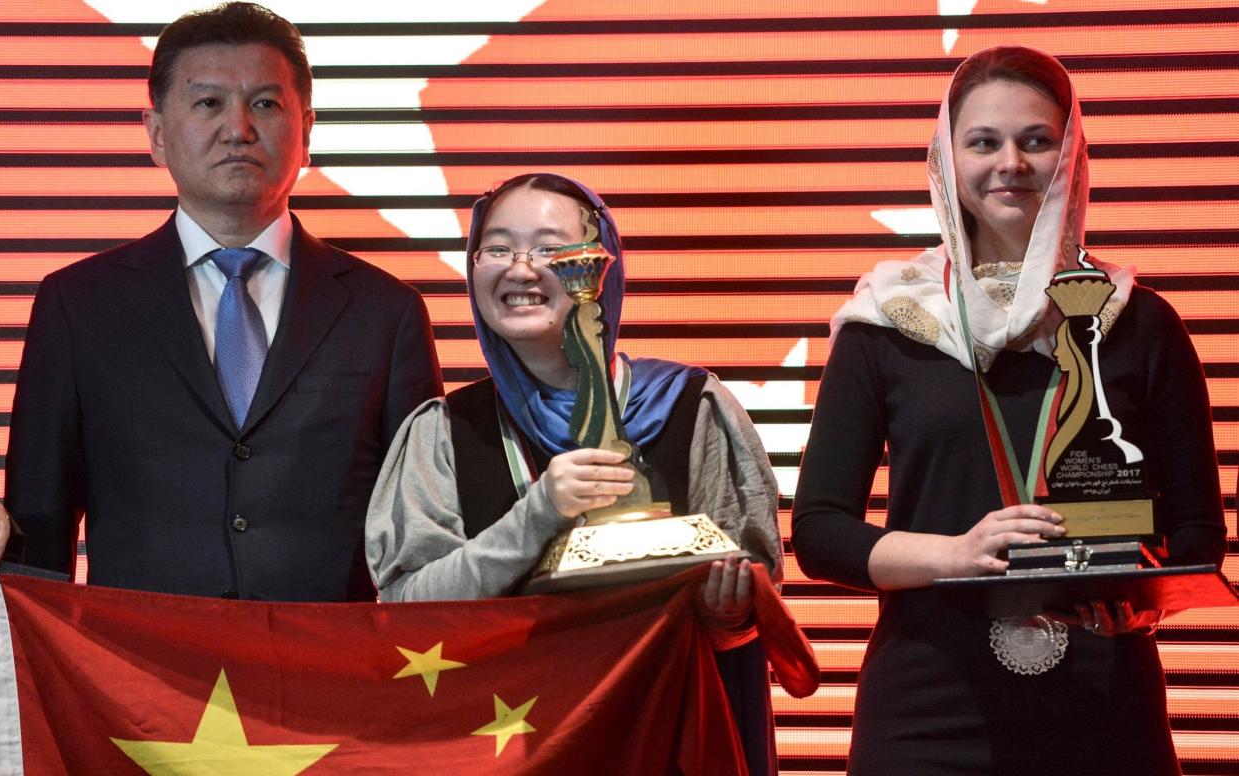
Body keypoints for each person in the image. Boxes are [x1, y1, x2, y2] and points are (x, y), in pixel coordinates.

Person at [791, 46, 1226, 775]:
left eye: (1036, 140)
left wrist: (1141, 601)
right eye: (983, 142)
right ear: (946, 158)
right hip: (926, 708)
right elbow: (819, 532)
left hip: (1102, 699)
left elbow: (1196, 533)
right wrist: (955, 554)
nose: (1010, 164)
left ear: (1071, 155)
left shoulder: (1137, 322)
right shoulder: (887, 322)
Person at [2, 2, 441, 601]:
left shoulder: (386, 312)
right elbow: (40, 527)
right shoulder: (77, 306)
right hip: (141, 677)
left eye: (266, 103)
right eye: (209, 103)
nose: (239, 128)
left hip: (335, 675)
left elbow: (423, 533)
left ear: (307, 132)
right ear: (157, 134)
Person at [366, 173, 783, 773]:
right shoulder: (444, 430)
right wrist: (536, 517)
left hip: (666, 736)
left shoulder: (693, 406)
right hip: (502, 748)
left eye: (550, 248)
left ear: (599, 269)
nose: (521, 268)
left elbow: (756, 591)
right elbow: (407, 612)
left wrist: (729, 615)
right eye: (499, 247)